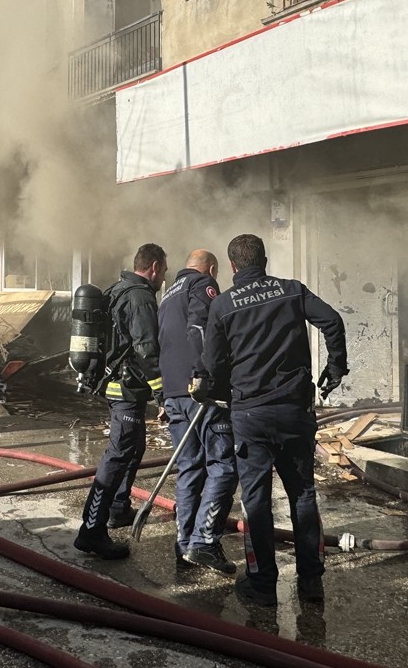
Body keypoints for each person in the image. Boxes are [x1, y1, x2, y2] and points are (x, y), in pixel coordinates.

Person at [199, 233, 347, 607]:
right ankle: (311, 582)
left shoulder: (224, 305)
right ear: (264, 260)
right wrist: (336, 367)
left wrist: (208, 387)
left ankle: (263, 583)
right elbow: (331, 321)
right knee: (302, 495)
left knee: (256, 501)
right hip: (295, 411)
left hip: (250, 415)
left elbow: (213, 366)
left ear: (233, 267)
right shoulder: (291, 290)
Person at [74, 243, 166, 560]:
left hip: (117, 386)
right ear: (154, 267)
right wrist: (163, 393)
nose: (163, 278)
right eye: (163, 271)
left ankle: (118, 508)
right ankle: (91, 530)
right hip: (126, 389)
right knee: (118, 456)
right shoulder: (140, 297)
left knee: (134, 446)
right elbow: (147, 348)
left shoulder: (118, 288)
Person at [156, 249, 237, 575]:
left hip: (173, 394)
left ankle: (185, 545)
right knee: (223, 466)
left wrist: (163, 396)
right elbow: (200, 328)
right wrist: (203, 374)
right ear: (212, 269)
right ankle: (204, 542)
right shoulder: (203, 284)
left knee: (190, 468)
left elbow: (161, 341)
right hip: (199, 392)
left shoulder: (166, 296)